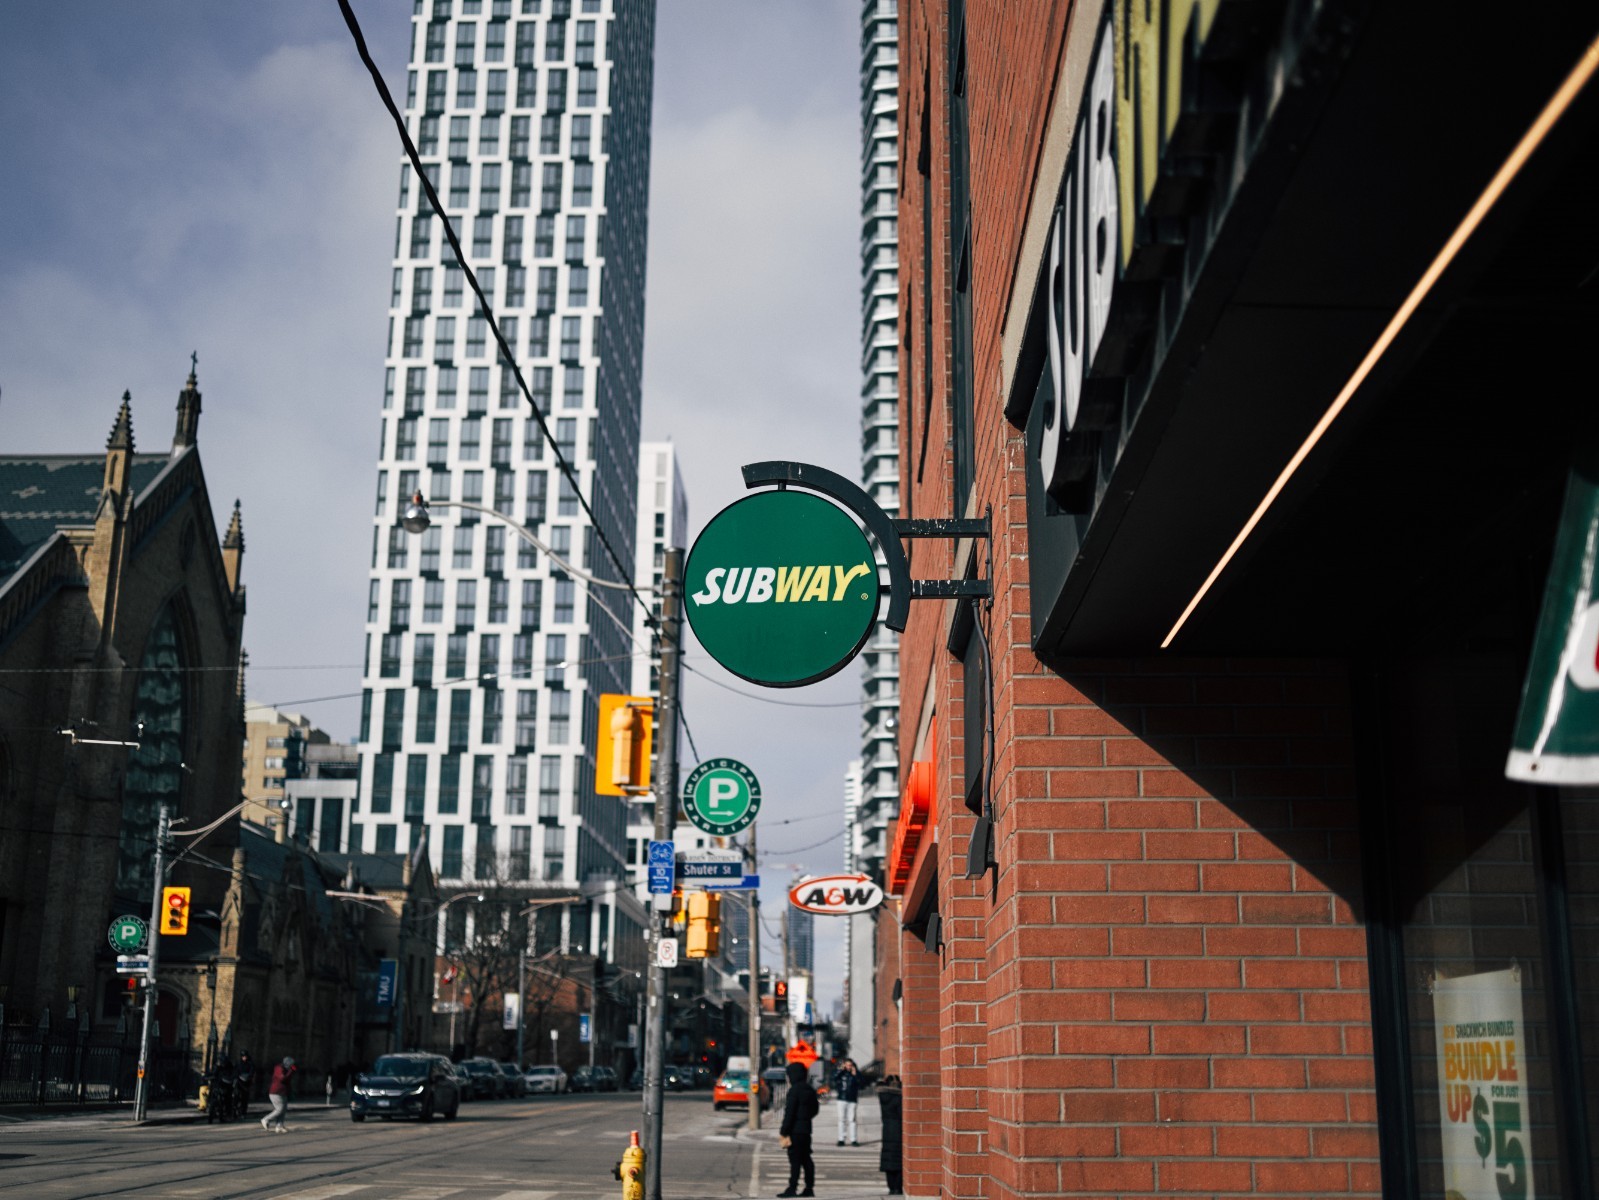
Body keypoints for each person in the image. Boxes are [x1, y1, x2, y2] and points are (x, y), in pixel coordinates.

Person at [777, 1060, 819, 1198]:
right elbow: (815, 1109)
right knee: (806, 1159)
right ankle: (809, 1187)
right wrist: (805, 1118)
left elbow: (790, 1112)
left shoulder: (794, 1091)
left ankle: (792, 1188)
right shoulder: (810, 1090)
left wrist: (784, 1130)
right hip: (806, 1130)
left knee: (795, 1160)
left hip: (795, 1130)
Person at [878, 1075, 903, 1195]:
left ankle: (891, 1187)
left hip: (887, 1130)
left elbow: (879, 1085)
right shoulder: (899, 1098)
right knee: (898, 1159)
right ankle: (897, 1187)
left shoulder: (883, 1096)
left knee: (888, 1159)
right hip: (898, 1130)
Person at [261, 1056, 296, 1133]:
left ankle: (279, 1126)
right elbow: (282, 1078)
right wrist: (290, 1071)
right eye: (291, 1065)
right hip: (275, 1092)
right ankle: (266, 1119)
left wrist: (292, 1071)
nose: (292, 1066)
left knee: (283, 1110)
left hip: (283, 1092)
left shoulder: (287, 1070)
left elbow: (288, 1081)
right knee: (280, 1109)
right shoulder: (279, 1068)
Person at [833, 1059, 861, 1146]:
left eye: (850, 1065)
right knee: (841, 1119)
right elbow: (834, 1078)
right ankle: (841, 1139)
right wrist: (841, 1070)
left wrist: (855, 1074)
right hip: (842, 1098)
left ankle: (853, 1139)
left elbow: (861, 1083)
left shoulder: (856, 1074)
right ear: (844, 1065)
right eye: (847, 1065)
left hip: (852, 1099)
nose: (849, 1067)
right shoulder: (841, 1073)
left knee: (852, 1120)